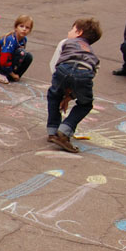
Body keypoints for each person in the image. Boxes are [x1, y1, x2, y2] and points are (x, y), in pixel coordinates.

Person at [45, 17, 102, 154]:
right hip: (84, 74)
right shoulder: (91, 53)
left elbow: (55, 65)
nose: (69, 32)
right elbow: (90, 76)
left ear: (79, 32)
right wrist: (70, 96)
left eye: (72, 29)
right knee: (85, 104)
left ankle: (53, 131)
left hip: (63, 69)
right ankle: (65, 129)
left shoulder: (66, 42)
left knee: (53, 96)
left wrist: (60, 91)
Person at [0, 14, 33, 83]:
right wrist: (12, 73)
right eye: (21, 26)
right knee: (21, 52)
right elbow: (4, 59)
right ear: (16, 27)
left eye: (27, 28)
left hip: (8, 59)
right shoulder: (11, 40)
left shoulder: (24, 39)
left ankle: (13, 75)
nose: (24, 29)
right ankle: (3, 73)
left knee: (28, 56)